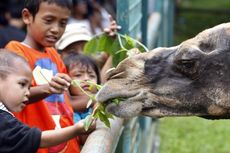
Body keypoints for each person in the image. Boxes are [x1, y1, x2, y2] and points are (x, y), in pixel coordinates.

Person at [5, 0, 90, 153]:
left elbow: (68, 102)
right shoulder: (15, 52)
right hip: (39, 146)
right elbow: (12, 97)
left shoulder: (54, 55)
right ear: (27, 17)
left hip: (70, 146)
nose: (56, 29)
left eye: (63, 23)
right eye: (49, 20)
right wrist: (48, 88)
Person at [0, 50, 95, 153]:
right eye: (22, 84)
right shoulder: (3, 120)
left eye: (29, 87)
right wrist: (77, 129)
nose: (28, 93)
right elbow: (40, 139)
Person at [63, 53, 101, 123]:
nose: (86, 79)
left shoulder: (100, 107)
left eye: (91, 76)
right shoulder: (62, 111)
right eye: (78, 75)